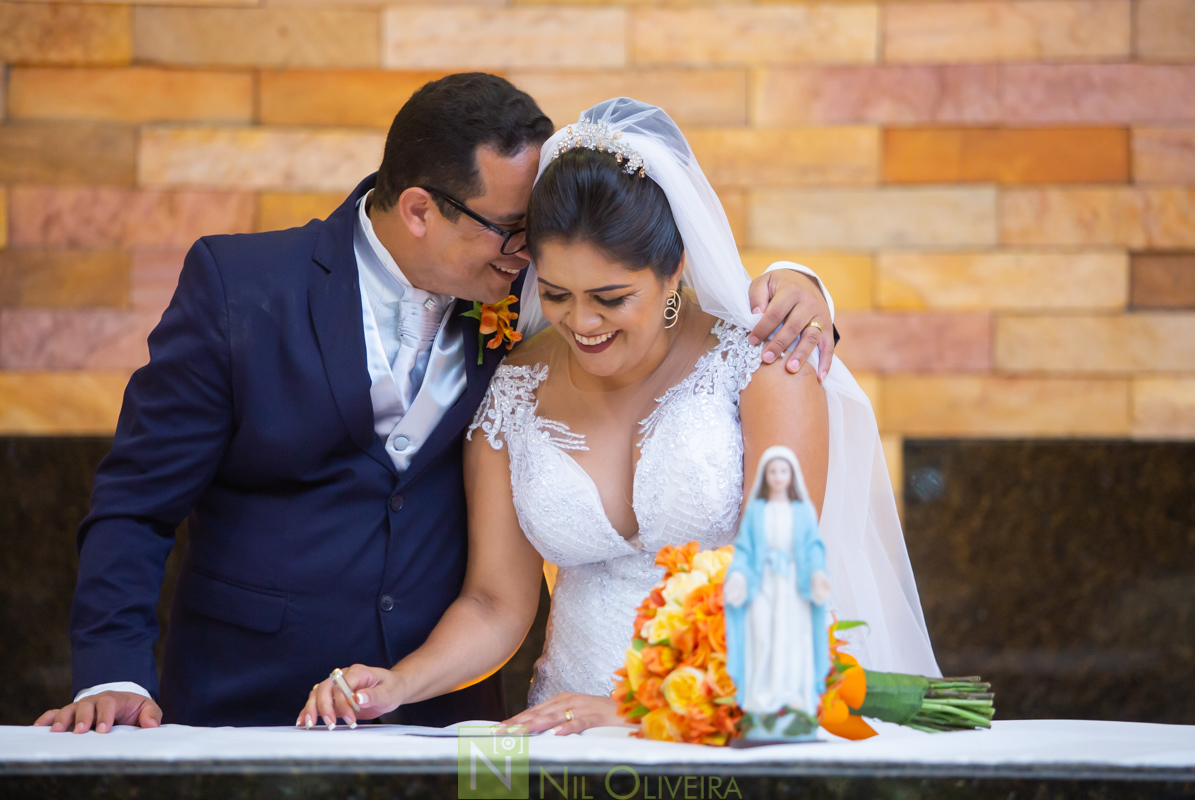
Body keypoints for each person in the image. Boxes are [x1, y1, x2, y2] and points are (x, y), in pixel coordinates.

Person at [35, 77, 835, 733]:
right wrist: (112, 674)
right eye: (514, 233)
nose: (531, 265)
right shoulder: (241, 288)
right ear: (420, 210)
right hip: (248, 697)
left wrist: (806, 288)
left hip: (464, 720)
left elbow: (640, 257)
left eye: (534, 236)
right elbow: (136, 501)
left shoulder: (539, 293)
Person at [298, 99, 938, 735]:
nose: (582, 322)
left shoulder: (763, 366)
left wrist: (637, 714)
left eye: (611, 297)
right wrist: (400, 682)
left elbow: (778, 583)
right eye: (556, 294)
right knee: (485, 775)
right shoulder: (513, 388)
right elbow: (495, 604)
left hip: (731, 727)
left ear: (673, 269)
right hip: (564, 727)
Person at [725, 446, 830, 740]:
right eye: (773, 471)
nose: (779, 476)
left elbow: (813, 546)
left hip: (794, 586)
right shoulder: (757, 512)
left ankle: (793, 699)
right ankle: (762, 702)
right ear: (766, 476)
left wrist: (817, 573)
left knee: (793, 639)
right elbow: (744, 549)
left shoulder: (802, 511)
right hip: (763, 585)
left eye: (783, 471)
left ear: (792, 475)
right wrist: (738, 576)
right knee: (762, 637)